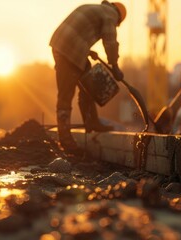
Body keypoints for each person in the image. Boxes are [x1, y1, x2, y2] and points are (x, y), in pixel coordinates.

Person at [49, 1, 126, 154]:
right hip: (69, 50)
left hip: (63, 45)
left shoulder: (96, 9)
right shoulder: (111, 14)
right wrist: (115, 67)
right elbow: (110, 42)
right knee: (66, 93)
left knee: (89, 82)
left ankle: (92, 122)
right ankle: (65, 140)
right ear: (119, 18)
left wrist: (88, 51)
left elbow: (78, 31)